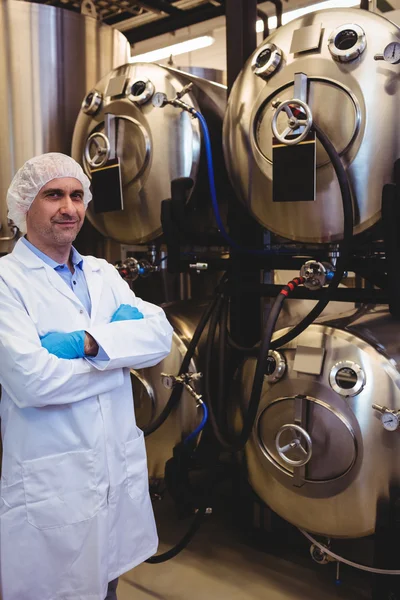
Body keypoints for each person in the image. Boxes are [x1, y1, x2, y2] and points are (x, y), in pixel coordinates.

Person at [0, 153, 173, 600]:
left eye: (77, 195)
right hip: (53, 485)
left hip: (113, 478)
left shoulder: (103, 271)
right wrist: (118, 357)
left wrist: (86, 344)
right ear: (23, 208)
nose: (69, 207)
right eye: (53, 195)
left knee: (108, 584)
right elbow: (32, 382)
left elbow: (159, 338)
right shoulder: (6, 281)